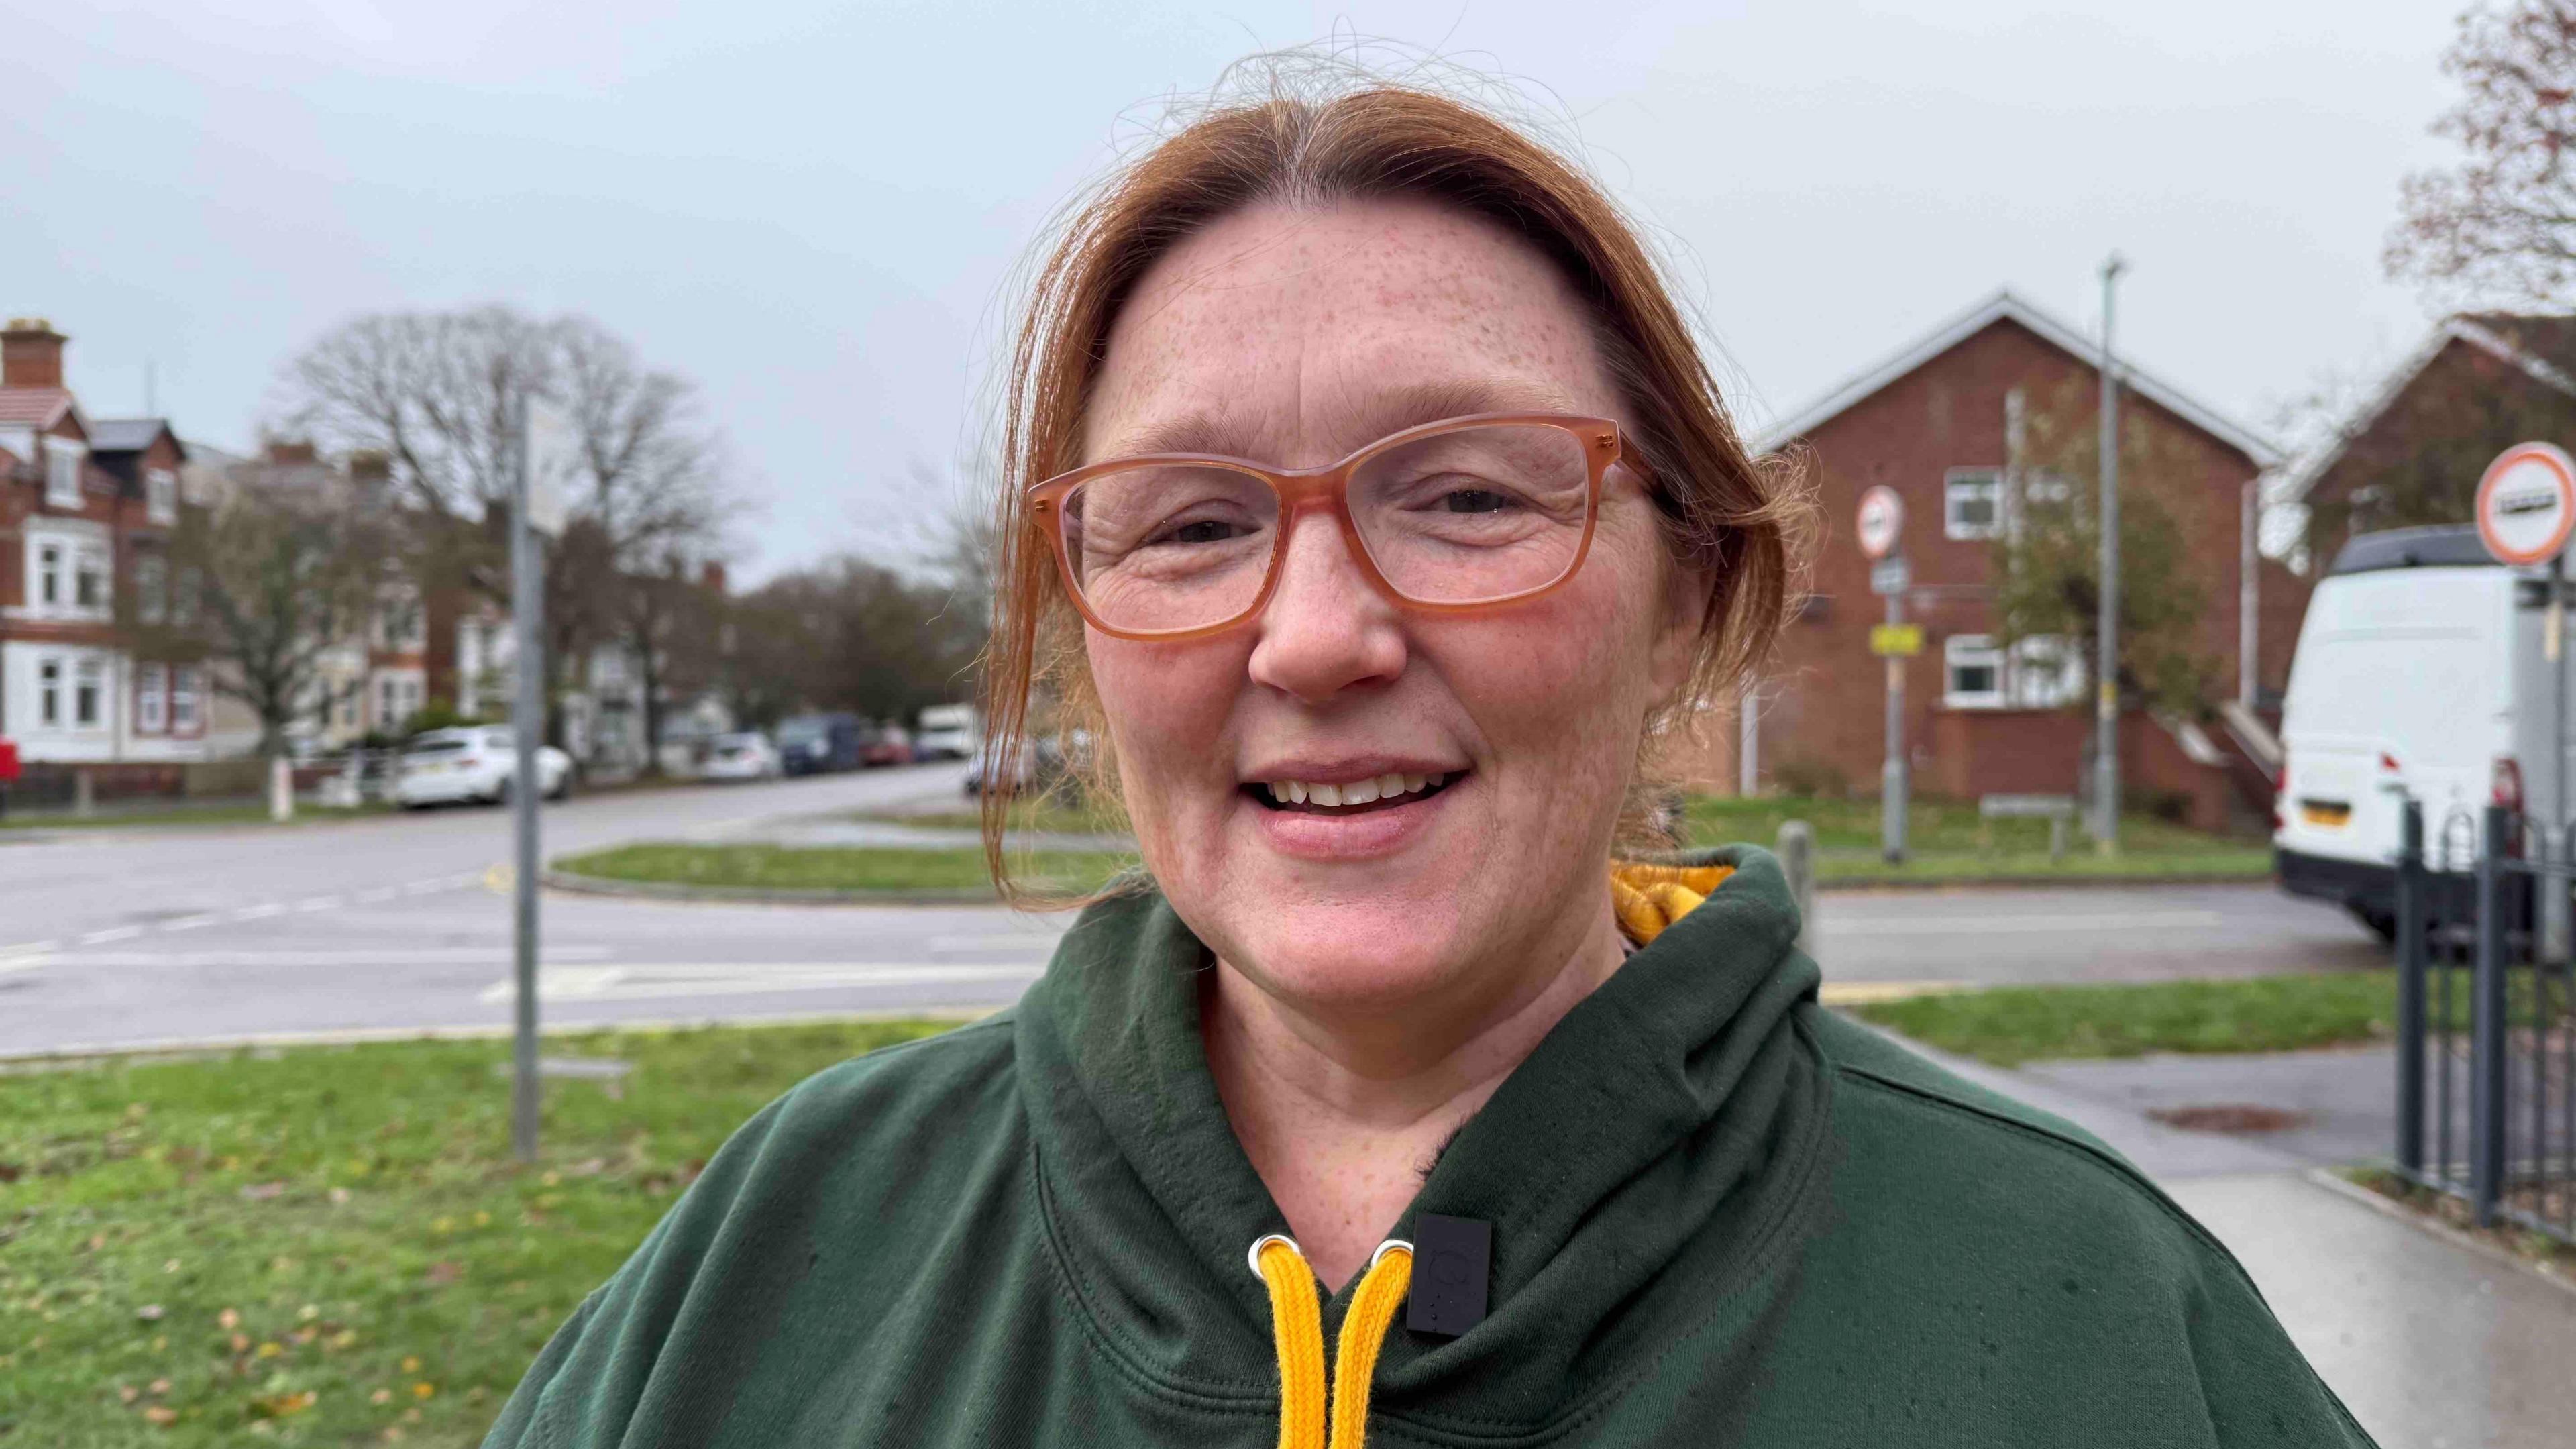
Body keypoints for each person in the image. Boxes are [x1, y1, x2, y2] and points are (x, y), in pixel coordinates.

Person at [484, 62, 2373, 1449]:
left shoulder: (2085, 1315)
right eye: (1193, 523)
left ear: (1691, 600)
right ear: (1081, 628)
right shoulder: (789, 1249)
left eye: (1467, 495)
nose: (1314, 636)